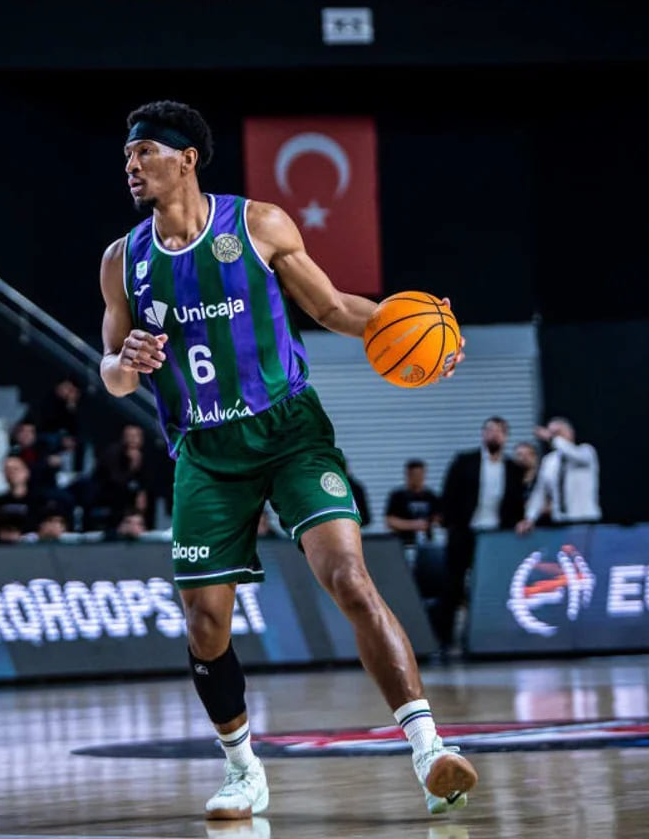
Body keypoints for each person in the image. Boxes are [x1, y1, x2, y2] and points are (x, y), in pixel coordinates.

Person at [98, 100, 475, 820]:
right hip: (206, 453)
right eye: (126, 156)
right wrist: (127, 362)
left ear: (186, 158)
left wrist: (429, 325)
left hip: (291, 432)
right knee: (204, 623)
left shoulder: (258, 225)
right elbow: (110, 370)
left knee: (349, 579)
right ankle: (243, 770)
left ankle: (430, 751)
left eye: (143, 151)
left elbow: (333, 309)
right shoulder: (123, 260)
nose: (131, 165)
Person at [439, 417, 525, 651]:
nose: (493, 435)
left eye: (498, 432)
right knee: (453, 585)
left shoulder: (513, 469)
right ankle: (445, 640)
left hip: (496, 536)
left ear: (505, 437)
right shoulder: (465, 461)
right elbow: (449, 493)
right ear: (482, 434)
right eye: (489, 431)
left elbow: (518, 504)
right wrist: (450, 524)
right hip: (466, 531)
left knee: (495, 586)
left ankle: (494, 636)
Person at [517, 417, 601, 533]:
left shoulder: (585, 452)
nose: (555, 437)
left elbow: (572, 453)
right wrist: (530, 518)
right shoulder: (549, 461)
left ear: (571, 433)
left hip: (585, 520)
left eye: (558, 433)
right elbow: (540, 492)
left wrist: (551, 438)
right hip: (560, 522)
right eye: (552, 434)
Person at [385, 460, 441, 546]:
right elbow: (390, 521)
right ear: (408, 475)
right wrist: (414, 525)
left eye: (420, 474)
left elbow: (438, 518)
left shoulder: (431, 496)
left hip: (426, 542)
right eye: (414, 475)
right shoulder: (398, 496)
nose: (418, 478)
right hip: (403, 542)